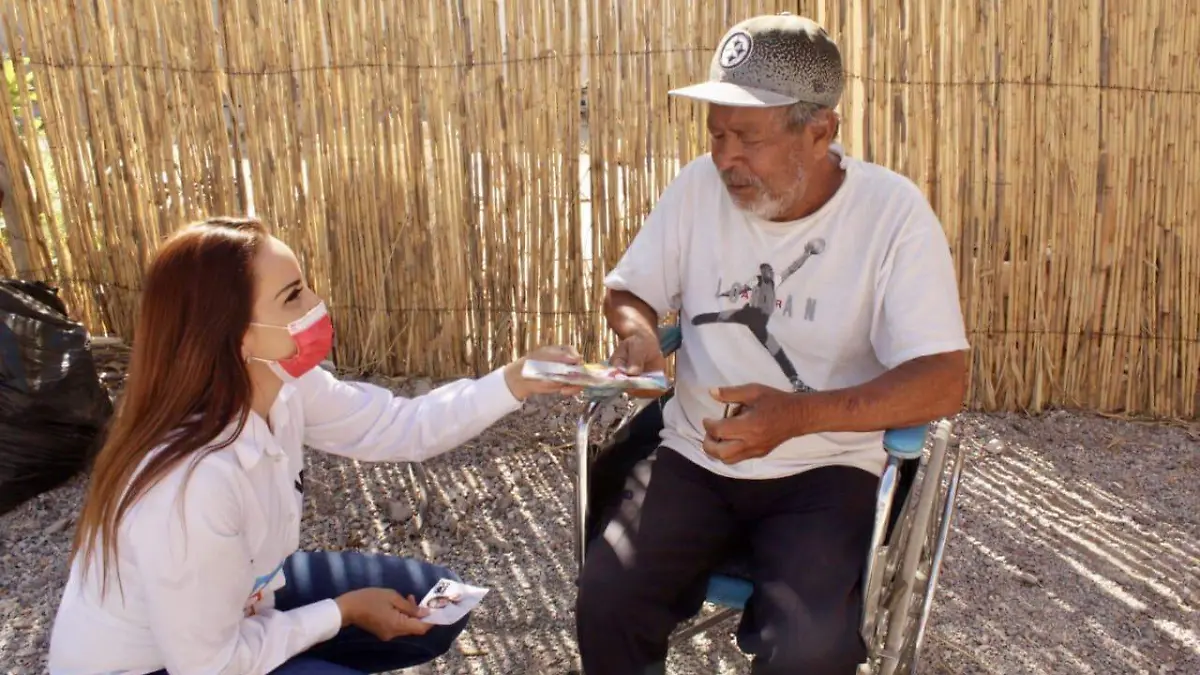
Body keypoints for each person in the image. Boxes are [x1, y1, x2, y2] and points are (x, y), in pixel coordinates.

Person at [575, 13, 970, 675]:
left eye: (747, 138)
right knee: (607, 600)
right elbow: (630, 290)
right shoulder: (699, 190)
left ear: (820, 131)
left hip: (826, 469)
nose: (725, 156)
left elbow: (943, 378)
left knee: (812, 651)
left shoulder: (893, 216)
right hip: (694, 455)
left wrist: (797, 416)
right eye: (717, 133)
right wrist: (641, 336)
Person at [47, 216, 582, 675]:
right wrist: (341, 613)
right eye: (293, 297)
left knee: (433, 608)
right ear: (237, 336)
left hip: (243, 608)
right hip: (167, 666)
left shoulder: (284, 386)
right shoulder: (192, 483)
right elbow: (211, 666)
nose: (317, 305)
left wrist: (515, 380)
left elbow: (402, 425)